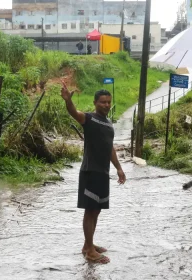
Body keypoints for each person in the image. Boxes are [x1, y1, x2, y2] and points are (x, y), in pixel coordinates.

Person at [60, 81, 126, 264]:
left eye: (108, 102)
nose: (106, 105)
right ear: (95, 102)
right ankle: (89, 251)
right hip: (90, 171)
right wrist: (68, 101)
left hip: (103, 173)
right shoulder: (88, 118)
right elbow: (74, 113)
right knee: (90, 210)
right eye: (102, 102)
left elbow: (109, 148)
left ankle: (87, 244)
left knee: (96, 210)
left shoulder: (108, 124)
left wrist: (119, 168)